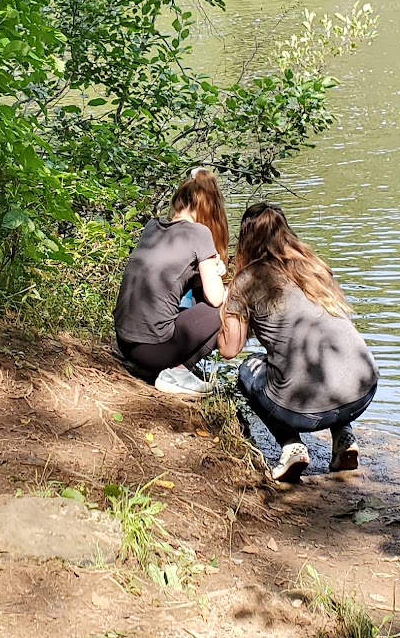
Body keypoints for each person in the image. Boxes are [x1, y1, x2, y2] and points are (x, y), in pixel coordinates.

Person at [217, 202, 377, 484]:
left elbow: (230, 349)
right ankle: (343, 438)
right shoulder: (314, 266)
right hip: (362, 390)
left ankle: (291, 446)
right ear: (286, 232)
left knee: (248, 369)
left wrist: (224, 305)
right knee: (325, 357)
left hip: (301, 411)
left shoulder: (247, 280)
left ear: (245, 239)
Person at [113, 171, 230, 396]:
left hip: (125, 344)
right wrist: (220, 279)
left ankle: (170, 369)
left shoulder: (152, 227)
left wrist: (208, 271)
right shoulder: (199, 232)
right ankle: (178, 373)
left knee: (199, 292)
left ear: (178, 201)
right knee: (230, 305)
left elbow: (173, 275)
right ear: (208, 207)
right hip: (152, 351)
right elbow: (216, 299)